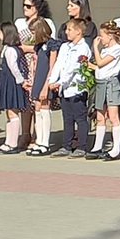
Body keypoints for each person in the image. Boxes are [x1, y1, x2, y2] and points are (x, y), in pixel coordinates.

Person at [47, 18, 92, 157]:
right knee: (67, 118)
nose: (66, 32)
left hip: (76, 88)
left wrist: (61, 82)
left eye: (69, 29)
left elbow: (74, 68)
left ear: (78, 31)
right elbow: (59, 64)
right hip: (64, 89)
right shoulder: (65, 46)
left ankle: (81, 147)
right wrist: (52, 80)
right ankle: (66, 145)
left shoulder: (83, 48)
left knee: (80, 118)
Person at [86, 21, 120, 161]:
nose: (100, 38)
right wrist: (89, 65)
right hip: (101, 83)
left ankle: (116, 148)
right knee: (100, 116)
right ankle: (97, 146)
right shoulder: (105, 49)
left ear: (110, 36)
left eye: (102, 35)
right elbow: (100, 67)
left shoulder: (116, 49)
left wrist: (95, 48)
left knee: (113, 116)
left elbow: (101, 62)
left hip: (111, 83)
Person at [26, 18, 59, 155]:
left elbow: (52, 66)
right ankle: (39, 140)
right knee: (37, 109)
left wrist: (46, 85)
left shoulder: (52, 44)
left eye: (34, 32)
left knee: (45, 107)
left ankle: (45, 142)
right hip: (38, 79)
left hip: (46, 79)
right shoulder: (38, 46)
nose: (32, 35)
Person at [0, 21, 28, 153]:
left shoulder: (10, 50)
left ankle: (13, 143)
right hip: (7, 81)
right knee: (9, 112)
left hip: (11, 82)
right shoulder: (7, 48)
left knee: (12, 112)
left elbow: (14, 68)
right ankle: (8, 141)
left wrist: (21, 81)